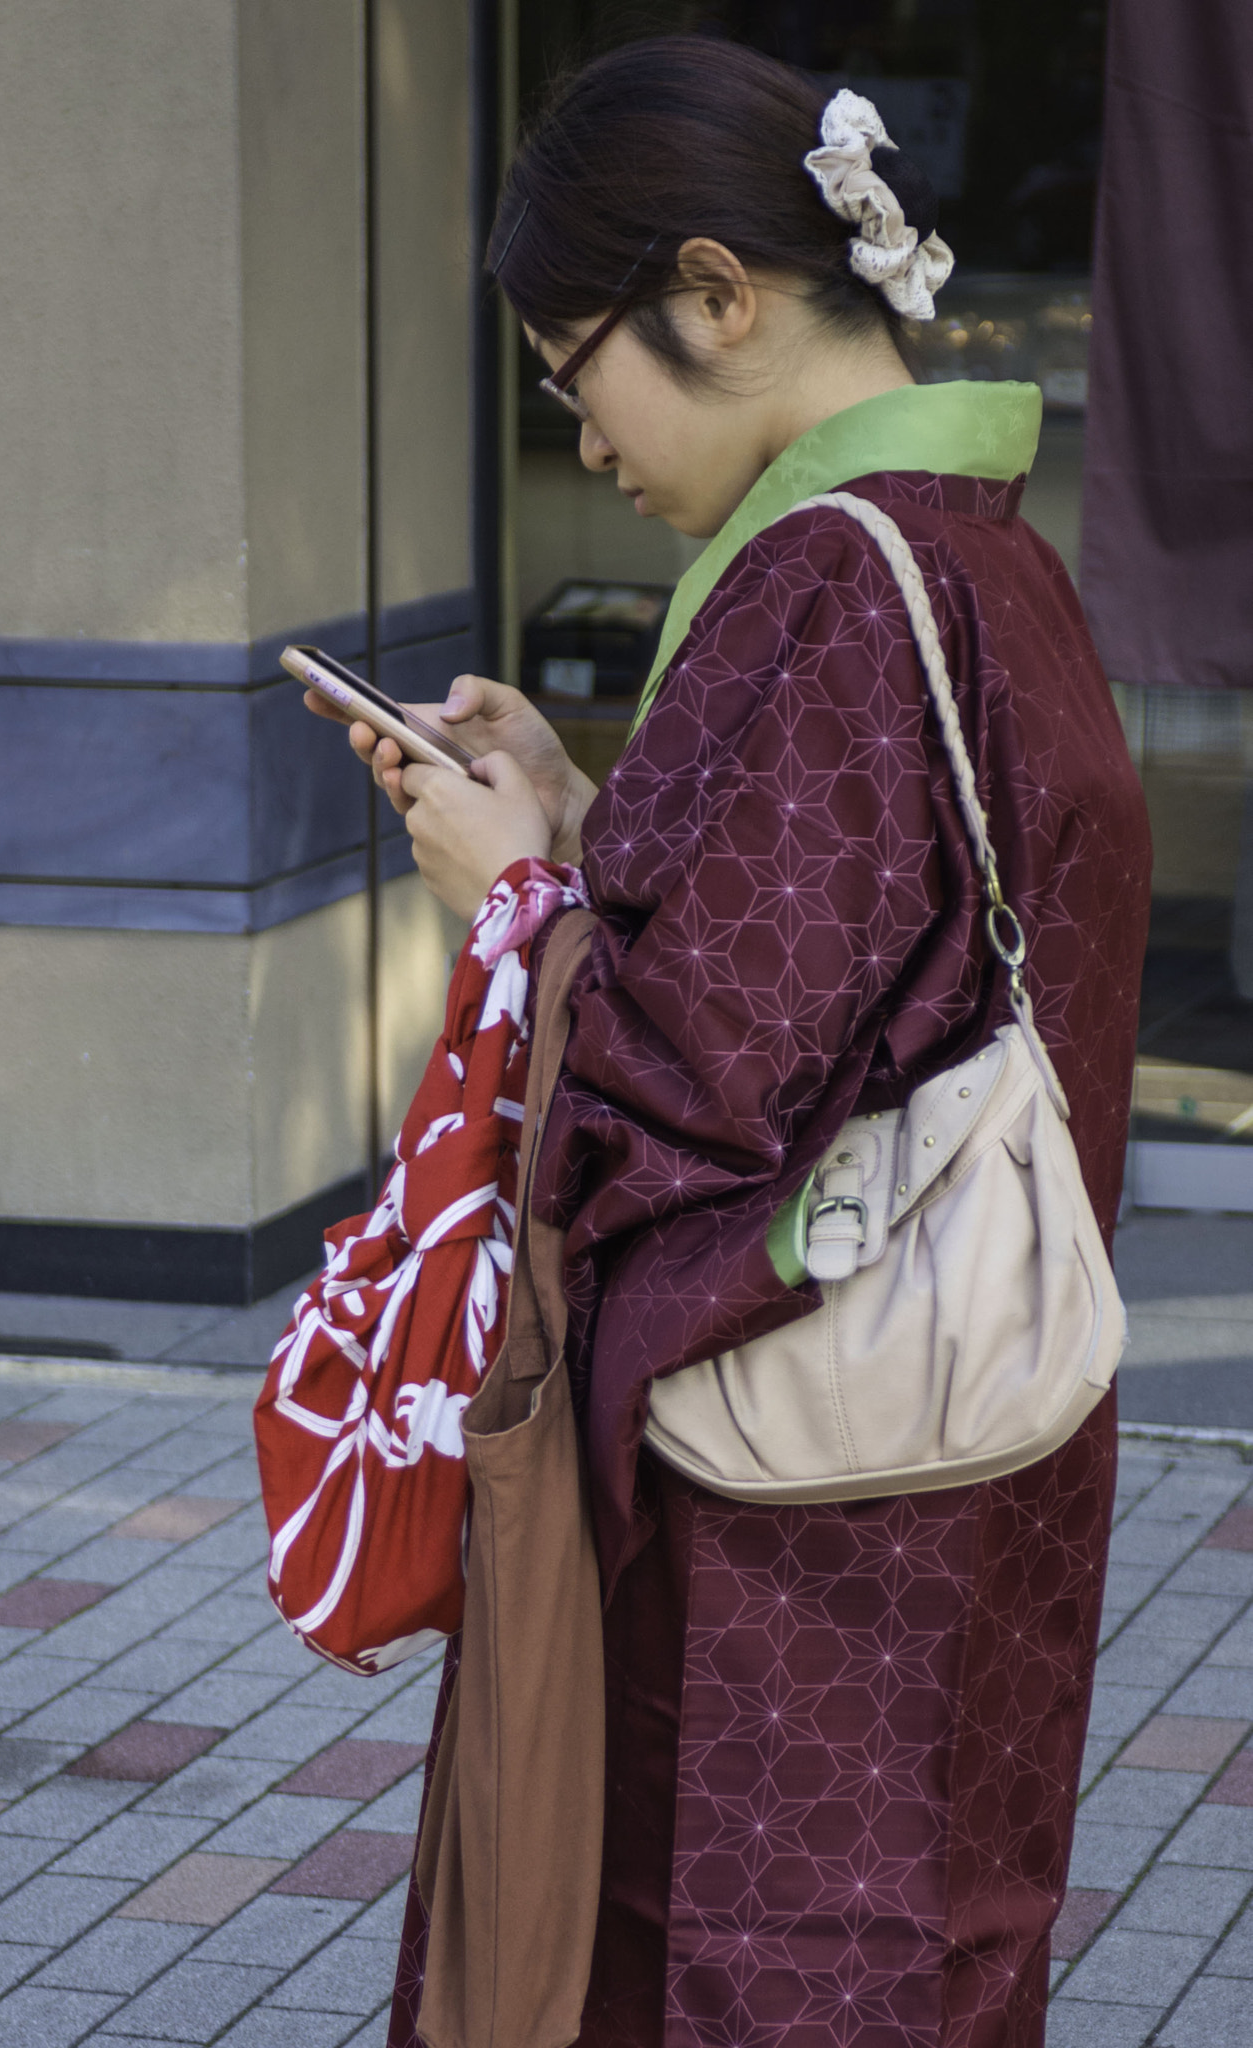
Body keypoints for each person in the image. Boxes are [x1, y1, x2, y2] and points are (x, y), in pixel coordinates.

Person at [311, 36, 1151, 2048]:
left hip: (796, 1536)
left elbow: (683, 1086)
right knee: (927, 1937)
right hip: (950, 1467)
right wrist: (588, 823)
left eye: (566, 362)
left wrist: (514, 901)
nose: (577, 433)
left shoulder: (825, 587)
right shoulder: (973, 556)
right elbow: (860, 981)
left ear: (714, 292)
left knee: (752, 1972)